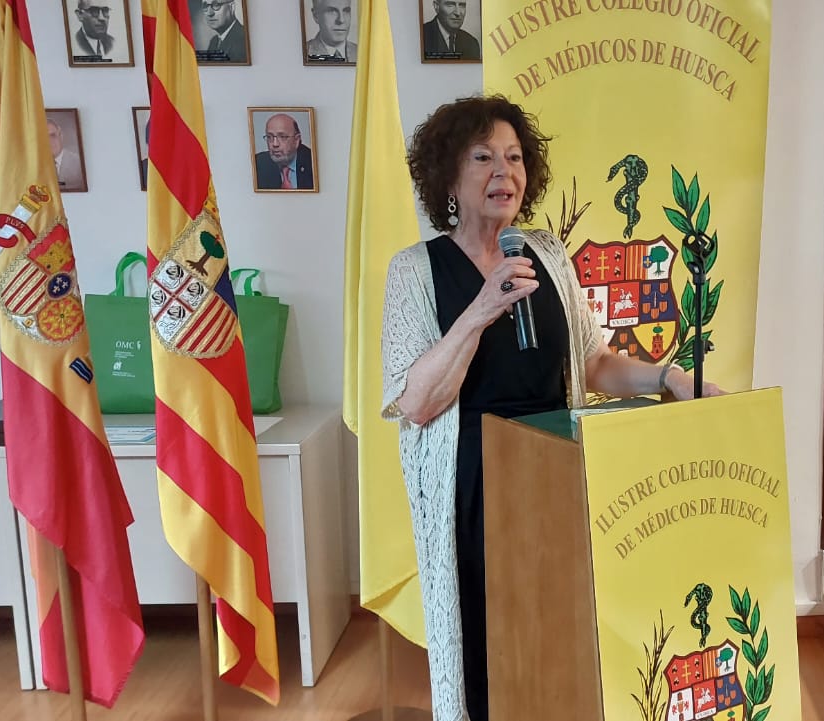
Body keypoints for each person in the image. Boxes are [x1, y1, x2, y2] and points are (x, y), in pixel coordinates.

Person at [380, 95, 723, 721]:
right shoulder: (415, 271)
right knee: (487, 639)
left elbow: (594, 364)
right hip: (472, 488)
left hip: (558, 472)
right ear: (448, 175)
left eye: (514, 157)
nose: (503, 171)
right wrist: (481, 310)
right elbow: (417, 403)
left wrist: (668, 377)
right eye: (483, 157)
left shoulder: (547, 254)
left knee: (562, 631)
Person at [253, 114, 314, 190]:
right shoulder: (258, 164)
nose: (275, 144)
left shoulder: (313, 161)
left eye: (282, 137)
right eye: (269, 137)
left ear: (296, 140)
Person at [47, 118, 85, 190]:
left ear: (61, 136)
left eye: (52, 135)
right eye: (44, 138)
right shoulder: (35, 166)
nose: (49, 141)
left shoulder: (78, 163)